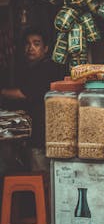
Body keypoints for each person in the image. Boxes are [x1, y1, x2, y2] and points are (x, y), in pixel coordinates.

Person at [0, 28, 64, 172]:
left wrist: (2, 92)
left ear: (46, 48)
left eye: (36, 44)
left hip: (43, 134)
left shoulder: (47, 68)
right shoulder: (30, 69)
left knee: (41, 173)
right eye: (27, 44)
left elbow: (23, 94)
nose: (31, 48)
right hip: (36, 133)